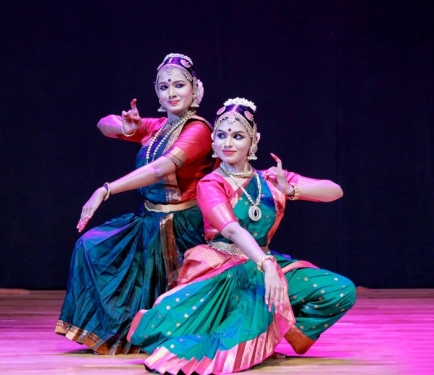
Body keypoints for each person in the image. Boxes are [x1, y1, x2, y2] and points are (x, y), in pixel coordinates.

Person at [127, 97, 356, 374]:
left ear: (253, 141)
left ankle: (276, 331)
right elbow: (231, 229)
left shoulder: (270, 179)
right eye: (221, 135)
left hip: (267, 266)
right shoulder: (211, 183)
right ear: (213, 141)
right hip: (224, 270)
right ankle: (257, 333)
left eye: (237, 136)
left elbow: (334, 191)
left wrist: (291, 190)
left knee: (340, 290)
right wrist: (266, 265)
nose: (228, 143)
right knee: (230, 324)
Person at [55, 54, 214, 355]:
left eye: (179, 85)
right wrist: (127, 127)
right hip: (149, 220)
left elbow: (159, 169)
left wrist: (105, 190)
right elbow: (104, 124)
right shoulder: (159, 126)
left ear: (195, 89)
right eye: (164, 87)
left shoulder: (198, 130)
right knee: (90, 246)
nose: (172, 93)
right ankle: (120, 331)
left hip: (182, 228)